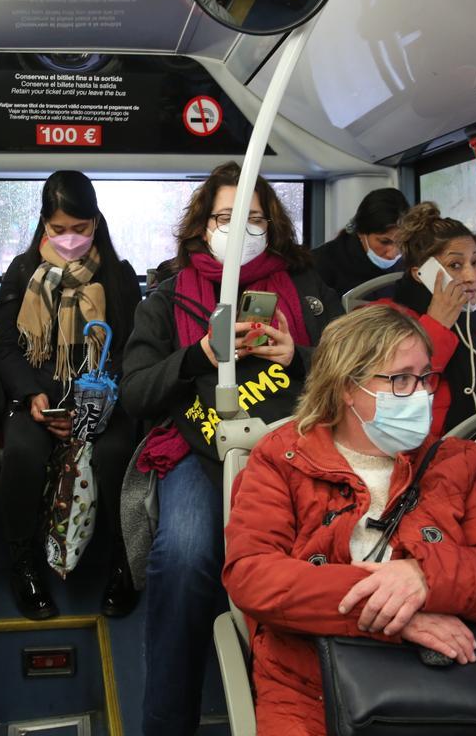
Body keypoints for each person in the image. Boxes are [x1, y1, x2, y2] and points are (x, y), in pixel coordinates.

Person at [223, 304, 476, 735]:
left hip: (448, 680)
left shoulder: (461, 465)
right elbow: (253, 575)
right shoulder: (282, 459)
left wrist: (423, 577)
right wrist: (395, 615)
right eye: (400, 380)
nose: (421, 394)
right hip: (309, 684)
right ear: (346, 388)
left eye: (425, 377)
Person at [121, 161, 342, 735]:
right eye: (226, 217)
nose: (238, 228)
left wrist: (299, 356)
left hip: (299, 443)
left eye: (252, 219)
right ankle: (168, 722)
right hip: (202, 447)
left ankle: (320, 702)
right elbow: (137, 392)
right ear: (203, 224)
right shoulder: (166, 297)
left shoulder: (310, 290)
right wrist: (199, 355)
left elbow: (356, 370)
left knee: (321, 554)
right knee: (187, 556)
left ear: (272, 228)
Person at [0, 170, 142, 620]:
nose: (70, 239)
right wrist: (33, 395)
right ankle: (24, 564)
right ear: (43, 225)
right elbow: (5, 349)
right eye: (60, 230)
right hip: (40, 400)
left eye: (80, 229)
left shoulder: (118, 276)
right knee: (21, 452)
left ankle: (124, 562)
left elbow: (131, 348)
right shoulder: (22, 274)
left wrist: (92, 405)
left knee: (118, 454)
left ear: (96, 223)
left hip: (104, 399)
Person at [384, 201, 476, 436]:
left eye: (475, 262)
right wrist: (437, 324)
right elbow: (398, 393)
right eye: (455, 265)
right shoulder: (387, 319)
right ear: (421, 274)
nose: (471, 276)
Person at [312, 187, 410, 298]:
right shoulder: (321, 264)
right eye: (384, 242)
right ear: (361, 233)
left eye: (401, 242)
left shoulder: (410, 265)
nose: (393, 254)